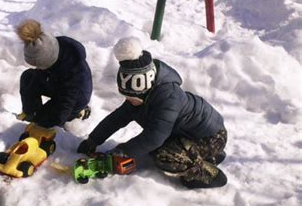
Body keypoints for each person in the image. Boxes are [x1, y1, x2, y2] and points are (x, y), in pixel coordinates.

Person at [77, 37, 228, 189]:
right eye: (127, 97)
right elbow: (117, 118)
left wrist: (121, 152)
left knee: (164, 155)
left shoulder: (169, 97)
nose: (129, 101)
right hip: (185, 133)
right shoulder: (140, 97)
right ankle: (206, 155)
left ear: (143, 90)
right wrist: (93, 140)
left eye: (132, 97)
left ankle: (208, 174)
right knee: (152, 149)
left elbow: (154, 138)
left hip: (211, 136)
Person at [16, 19, 93, 129]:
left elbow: (66, 103)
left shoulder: (73, 71)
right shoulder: (50, 46)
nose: (38, 68)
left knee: (45, 120)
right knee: (28, 77)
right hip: (55, 80)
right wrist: (32, 111)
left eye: (40, 65)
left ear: (49, 60)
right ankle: (31, 113)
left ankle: (80, 111)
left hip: (76, 97)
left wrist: (52, 126)